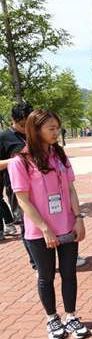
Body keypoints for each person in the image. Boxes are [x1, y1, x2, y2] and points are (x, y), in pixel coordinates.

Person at [7, 109, 91, 339]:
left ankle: (71, 316)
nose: (56, 133)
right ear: (36, 131)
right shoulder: (19, 162)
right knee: (46, 276)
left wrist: (79, 218)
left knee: (69, 273)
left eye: (57, 128)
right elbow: (23, 201)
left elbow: (71, 189)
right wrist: (45, 229)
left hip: (67, 226)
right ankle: (52, 318)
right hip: (39, 232)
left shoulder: (60, 155)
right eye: (51, 129)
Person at [0, 103, 37, 270]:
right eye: (23, 124)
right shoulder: (3, 137)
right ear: (13, 120)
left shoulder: (35, 132)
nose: (26, 127)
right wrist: (17, 159)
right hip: (17, 188)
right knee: (26, 225)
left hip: (42, 184)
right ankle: (36, 264)